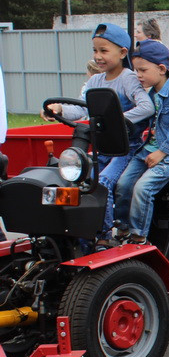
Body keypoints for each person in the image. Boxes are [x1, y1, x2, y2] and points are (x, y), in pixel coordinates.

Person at [41, 23, 152, 240]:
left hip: (126, 148)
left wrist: (117, 120)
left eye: (104, 51)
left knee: (104, 183)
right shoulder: (95, 80)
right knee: (80, 181)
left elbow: (146, 107)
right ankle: (80, 232)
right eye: (95, 50)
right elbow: (82, 109)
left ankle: (104, 235)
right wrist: (59, 108)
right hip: (102, 148)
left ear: (122, 53)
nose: (98, 56)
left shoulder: (128, 78)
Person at [114, 39, 169, 244]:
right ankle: (122, 229)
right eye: (136, 70)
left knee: (142, 188)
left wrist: (161, 153)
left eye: (143, 70)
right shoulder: (152, 94)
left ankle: (139, 237)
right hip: (151, 149)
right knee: (123, 184)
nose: (138, 75)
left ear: (162, 68)